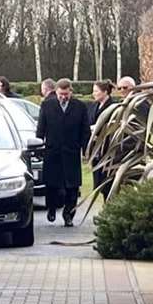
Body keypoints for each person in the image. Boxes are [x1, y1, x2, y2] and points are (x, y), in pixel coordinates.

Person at [36, 78, 89, 227]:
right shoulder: (47, 105)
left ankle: (69, 215)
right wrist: (39, 145)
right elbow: (41, 129)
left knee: (72, 187)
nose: (63, 97)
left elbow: (85, 131)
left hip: (71, 152)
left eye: (66, 94)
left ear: (71, 92)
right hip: (52, 152)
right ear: (56, 92)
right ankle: (52, 208)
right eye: (61, 94)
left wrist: (86, 150)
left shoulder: (80, 107)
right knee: (52, 186)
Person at [87, 80, 114, 193]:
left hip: (107, 149)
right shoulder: (94, 106)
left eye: (96, 91)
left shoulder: (113, 106)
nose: (94, 94)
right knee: (98, 183)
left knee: (107, 183)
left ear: (105, 92)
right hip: (95, 149)